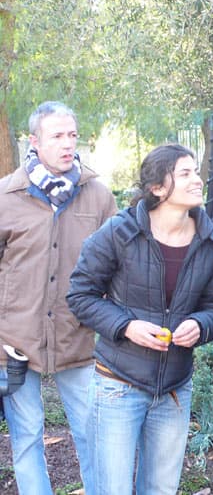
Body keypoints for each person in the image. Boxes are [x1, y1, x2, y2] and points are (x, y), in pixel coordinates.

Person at [66, 144, 213, 494]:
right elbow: (80, 295)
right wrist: (126, 326)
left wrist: (200, 325)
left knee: (160, 490)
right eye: (185, 173)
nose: (197, 180)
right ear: (157, 187)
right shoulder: (119, 233)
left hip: (174, 390)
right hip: (117, 386)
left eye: (196, 172)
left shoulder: (211, 241)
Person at [0, 101, 116, 494]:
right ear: (34, 141)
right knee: (27, 437)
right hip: (14, 343)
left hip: (77, 336)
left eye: (72, 135)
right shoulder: (6, 196)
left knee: (92, 436)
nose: (68, 144)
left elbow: (116, 265)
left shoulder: (98, 196)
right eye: (57, 136)